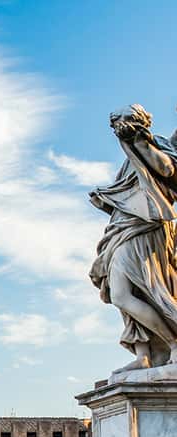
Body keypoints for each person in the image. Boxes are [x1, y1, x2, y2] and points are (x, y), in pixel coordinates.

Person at [89, 104, 177, 373]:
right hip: (122, 226)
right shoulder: (130, 157)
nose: (120, 127)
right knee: (123, 295)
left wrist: (142, 142)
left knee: (144, 290)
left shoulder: (155, 145)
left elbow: (168, 171)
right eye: (116, 123)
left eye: (125, 120)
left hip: (146, 228)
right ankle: (144, 355)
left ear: (141, 122)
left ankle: (174, 344)